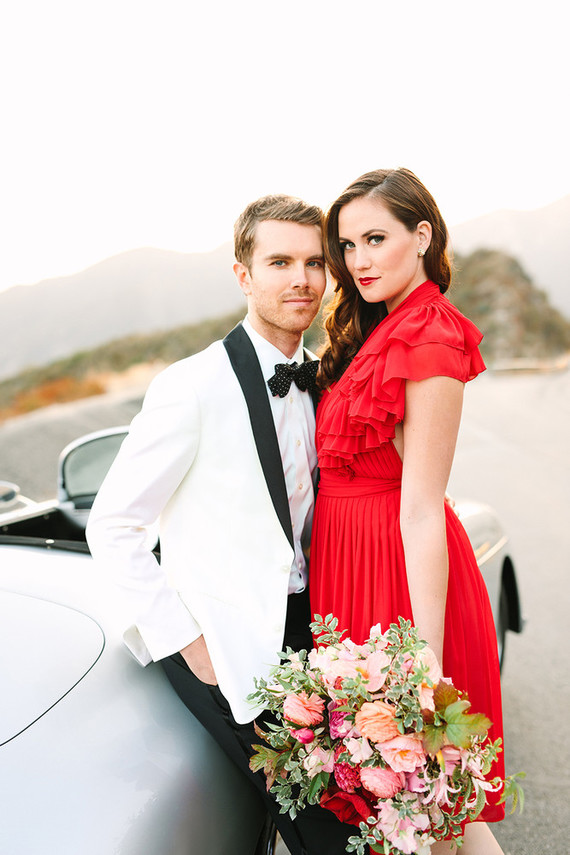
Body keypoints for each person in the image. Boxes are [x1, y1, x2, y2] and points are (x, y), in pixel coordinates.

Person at [86, 194, 356, 855]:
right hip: (230, 650)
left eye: (315, 262)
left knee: (363, 819)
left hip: (315, 635)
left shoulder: (323, 379)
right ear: (244, 274)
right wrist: (187, 642)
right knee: (329, 835)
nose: (301, 279)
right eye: (280, 261)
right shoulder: (193, 384)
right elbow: (113, 524)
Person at [310, 169, 507, 855]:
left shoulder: (426, 335)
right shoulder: (381, 326)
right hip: (350, 568)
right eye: (348, 245)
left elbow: (421, 507)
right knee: (419, 809)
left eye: (375, 238)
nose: (358, 259)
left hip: (395, 579)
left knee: (425, 806)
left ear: (421, 235)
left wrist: (422, 654)